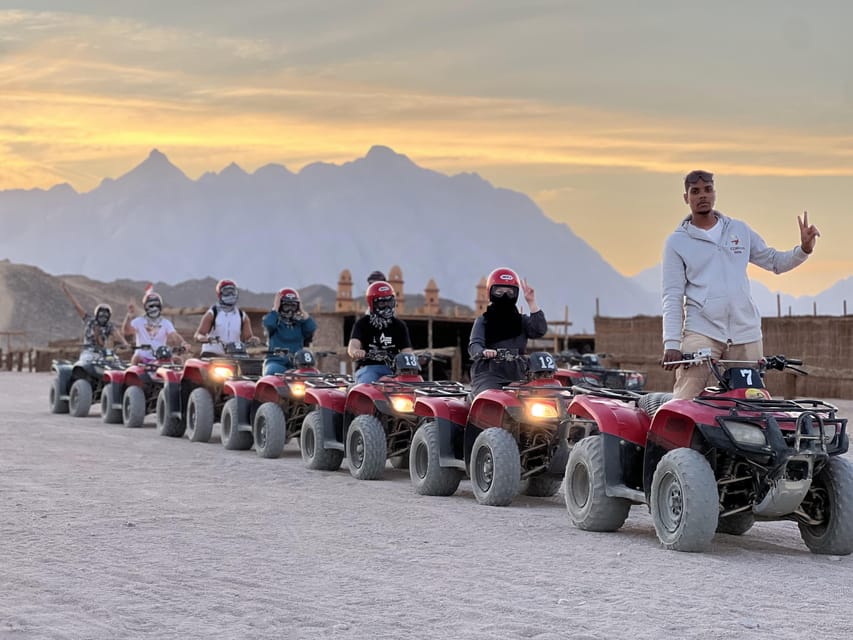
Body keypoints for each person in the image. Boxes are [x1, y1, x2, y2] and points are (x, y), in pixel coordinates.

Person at [661, 169, 821, 399]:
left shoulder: (739, 230)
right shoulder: (677, 242)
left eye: (707, 189)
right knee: (685, 398)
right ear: (686, 198)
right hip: (702, 331)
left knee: (751, 401)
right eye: (695, 191)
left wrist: (804, 250)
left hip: (745, 332)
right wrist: (672, 343)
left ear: (714, 193)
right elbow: (672, 295)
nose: (702, 195)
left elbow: (774, 261)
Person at [468, 267, 547, 397]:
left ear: (516, 294)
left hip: (519, 373)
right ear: (490, 292)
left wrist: (531, 302)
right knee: (489, 398)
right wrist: (483, 352)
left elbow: (539, 331)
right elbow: (474, 345)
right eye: (499, 292)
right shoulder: (483, 320)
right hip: (489, 374)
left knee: (542, 398)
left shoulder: (522, 320)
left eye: (510, 292)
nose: (505, 296)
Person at [347, 281, 413, 384]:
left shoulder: (400, 325)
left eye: (389, 302)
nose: (387, 307)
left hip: (394, 370)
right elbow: (353, 346)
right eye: (382, 303)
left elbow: (406, 350)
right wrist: (356, 351)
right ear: (372, 303)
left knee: (412, 385)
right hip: (368, 368)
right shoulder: (362, 323)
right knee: (367, 386)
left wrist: (412, 359)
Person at [61, 282, 129, 362]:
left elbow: (118, 335)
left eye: (105, 315)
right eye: (101, 314)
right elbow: (77, 306)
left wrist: (125, 343)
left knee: (115, 361)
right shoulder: (90, 321)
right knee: (87, 361)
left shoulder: (109, 326)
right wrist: (66, 291)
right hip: (88, 351)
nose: (103, 317)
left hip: (103, 353)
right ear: (97, 314)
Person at [194, 279, 259, 357]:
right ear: (220, 294)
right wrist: (203, 338)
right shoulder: (212, 313)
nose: (230, 295)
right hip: (212, 355)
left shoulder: (242, 316)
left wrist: (253, 340)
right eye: (227, 292)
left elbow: (248, 337)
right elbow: (198, 334)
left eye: (233, 292)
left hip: (233, 356)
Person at [122, 291, 190, 365]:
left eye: (156, 305)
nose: (154, 308)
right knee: (136, 358)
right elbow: (127, 331)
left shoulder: (165, 323)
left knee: (178, 360)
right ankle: (132, 372)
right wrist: (129, 315)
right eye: (151, 306)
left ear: (160, 306)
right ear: (146, 307)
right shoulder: (139, 321)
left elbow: (174, 336)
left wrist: (183, 343)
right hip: (142, 358)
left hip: (161, 357)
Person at [262, 288, 317, 375]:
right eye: (286, 306)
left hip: (298, 363)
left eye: (293, 306)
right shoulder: (275, 322)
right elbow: (269, 324)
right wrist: (275, 308)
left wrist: (301, 309)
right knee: (272, 373)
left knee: (312, 374)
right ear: (280, 306)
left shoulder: (299, 324)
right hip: (276, 361)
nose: (290, 310)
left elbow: (311, 327)